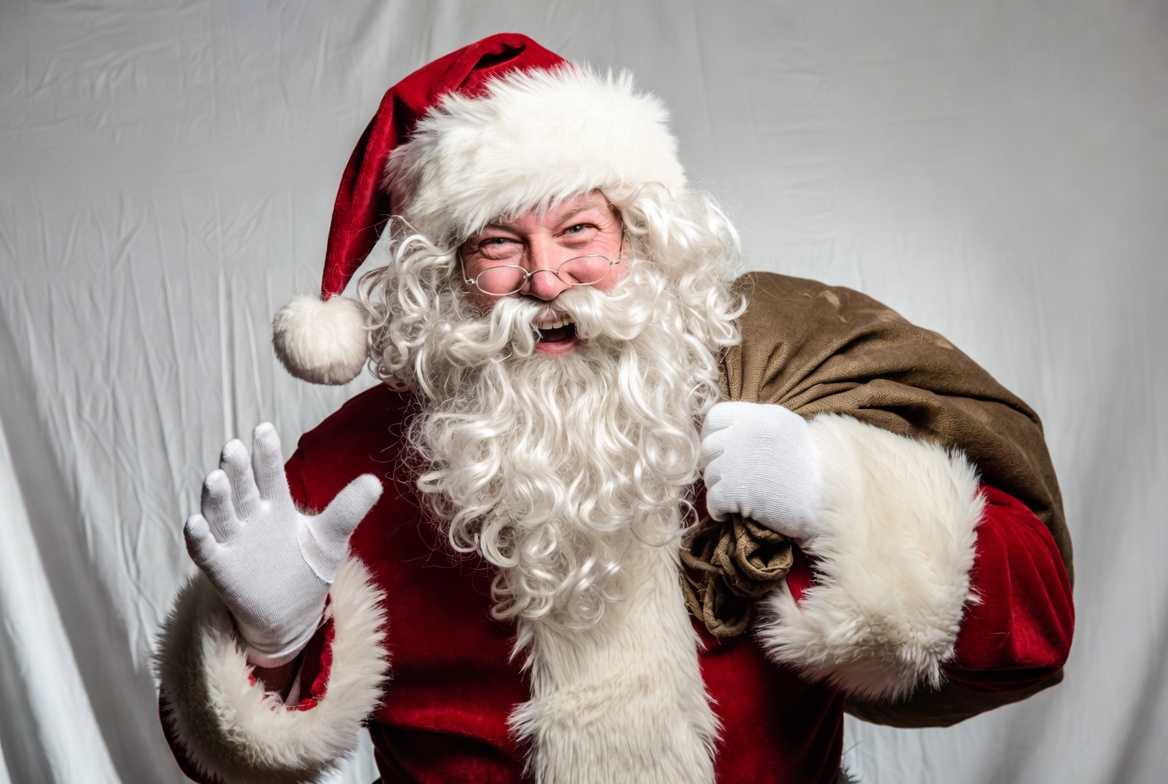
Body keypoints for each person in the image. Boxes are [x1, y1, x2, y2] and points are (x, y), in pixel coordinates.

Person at [155, 33, 1074, 784]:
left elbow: (1032, 637)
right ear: (446, 275)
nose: (547, 278)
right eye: (499, 244)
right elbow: (205, 758)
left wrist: (835, 493)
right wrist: (269, 647)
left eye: (578, 231)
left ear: (640, 236)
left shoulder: (766, 392)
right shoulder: (354, 466)